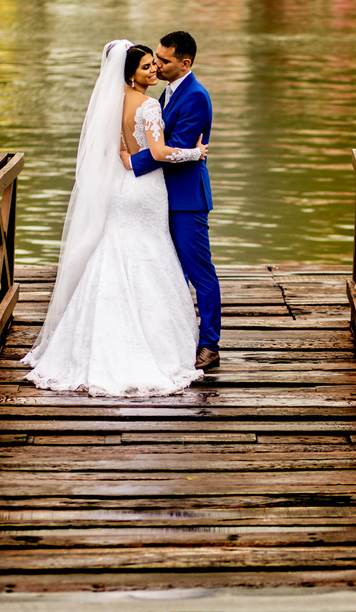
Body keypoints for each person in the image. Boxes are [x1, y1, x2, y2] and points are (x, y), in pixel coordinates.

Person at [22, 40, 208, 396]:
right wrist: (195, 153)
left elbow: (119, 151)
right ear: (130, 74)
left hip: (123, 188)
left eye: (155, 64)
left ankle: (91, 344)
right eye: (146, 67)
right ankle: (148, 346)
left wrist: (127, 159)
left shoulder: (113, 102)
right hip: (145, 190)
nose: (154, 70)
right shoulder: (150, 104)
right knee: (148, 257)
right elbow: (158, 152)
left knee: (116, 255)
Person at [124, 31, 220, 371]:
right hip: (158, 196)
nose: (157, 65)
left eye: (164, 61)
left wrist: (128, 163)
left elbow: (169, 147)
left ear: (185, 63)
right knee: (167, 271)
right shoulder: (165, 92)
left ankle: (210, 344)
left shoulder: (195, 96)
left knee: (199, 272)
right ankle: (173, 338)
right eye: (156, 59)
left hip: (185, 199)